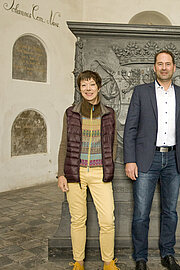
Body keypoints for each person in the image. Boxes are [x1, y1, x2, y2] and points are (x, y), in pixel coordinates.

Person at [123, 50, 180, 270]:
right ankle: (141, 258)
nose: (164, 67)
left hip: (174, 159)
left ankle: (168, 254)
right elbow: (130, 129)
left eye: (168, 64)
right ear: (154, 68)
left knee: (170, 212)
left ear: (174, 67)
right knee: (141, 213)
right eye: (160, 64)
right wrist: (130, 160)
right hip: (146, 159)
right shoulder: (140, 92)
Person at [57, 70, 119, 270]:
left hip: (100, 173)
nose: (88, 89)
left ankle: (108, 262)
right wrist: (61, 174)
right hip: (76, 174)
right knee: (77, 220)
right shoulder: (71, 113)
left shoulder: (109, 113)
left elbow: (113, 144)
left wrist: (110, 164)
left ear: (99, 87)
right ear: (79, 89)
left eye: (92, 84)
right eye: (84, 85)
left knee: (108, 220)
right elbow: (64, 145)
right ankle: (78, 262)